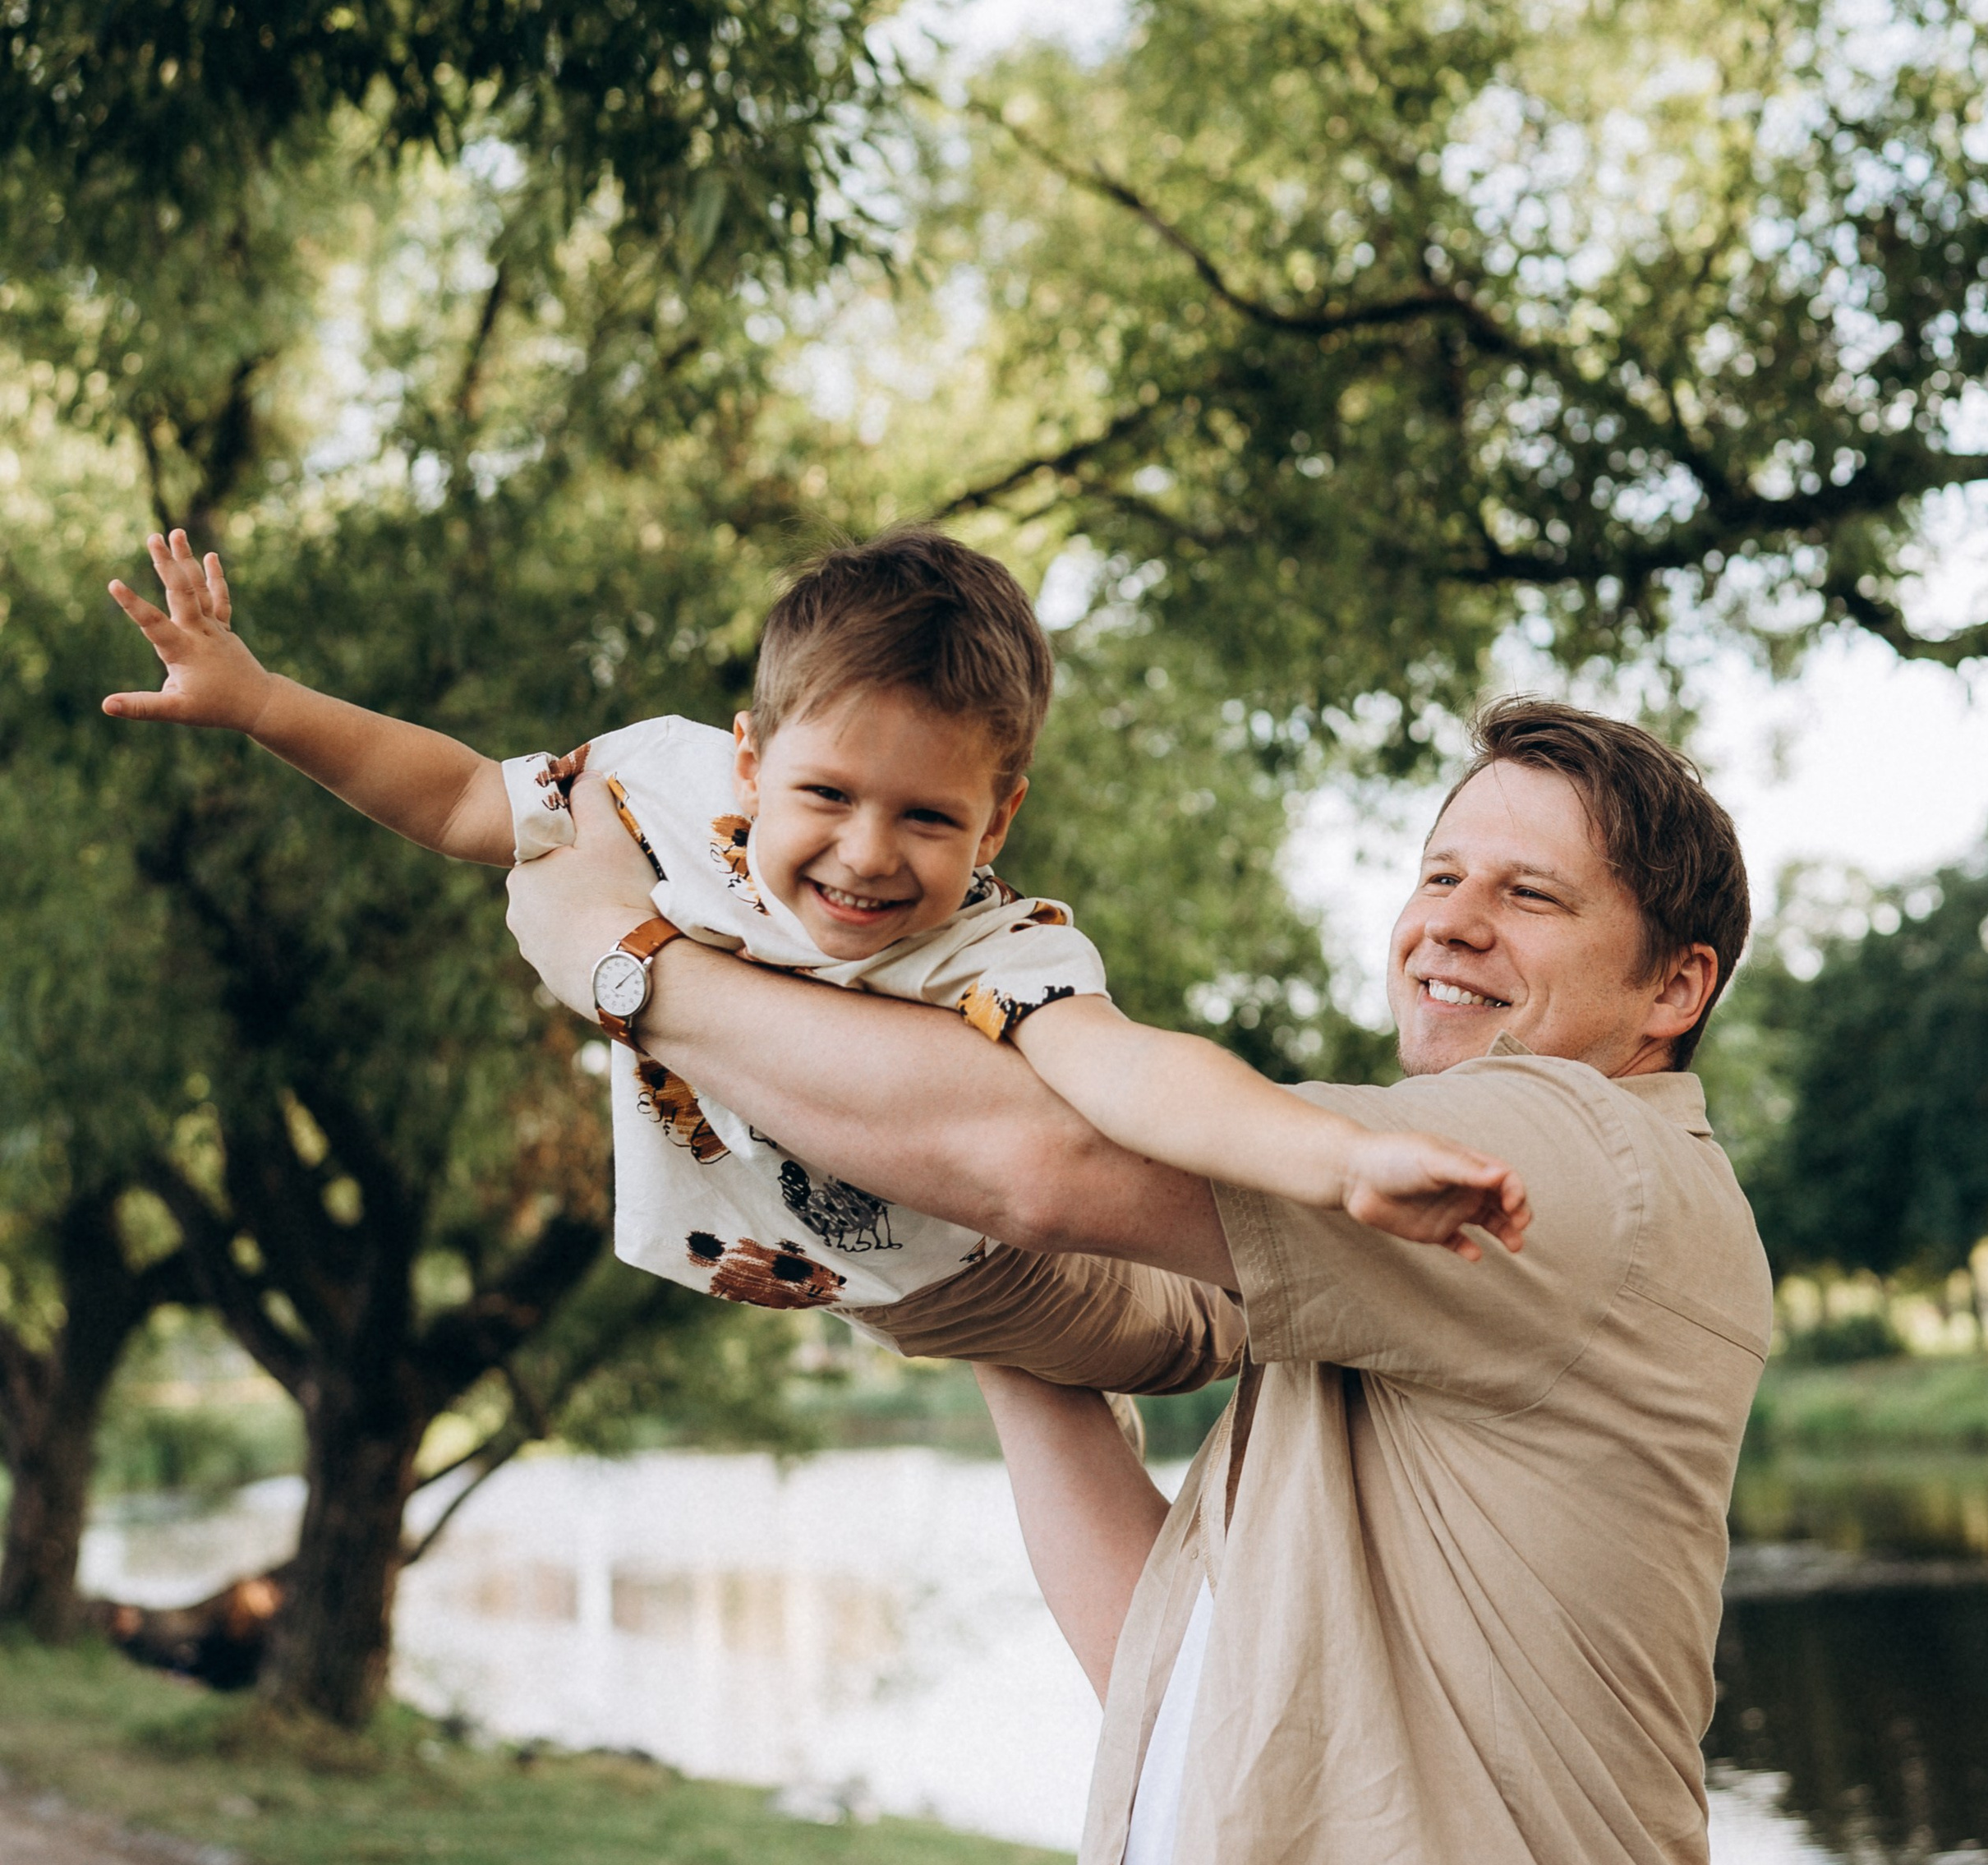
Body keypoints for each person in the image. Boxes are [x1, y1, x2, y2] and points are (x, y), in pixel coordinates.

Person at [503, 695, 1797, 1865]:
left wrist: (633, 965)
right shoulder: (1381, 1295)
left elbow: (1028, 1156)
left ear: (1670, 989)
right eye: (1435, 872)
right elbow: (1162, 1662)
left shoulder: (1570, 1161)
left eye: (1528, 897)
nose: (1448, 923)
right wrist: (911, 1270)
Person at [102, 526, 1528, 1324]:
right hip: (827, 1264)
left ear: (998, 823)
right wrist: (263, 703)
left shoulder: (995, 945)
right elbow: (470, 797)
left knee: (1142, 1357)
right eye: (828, 795)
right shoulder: (654, 785)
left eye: (927, 819)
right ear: (743, 760)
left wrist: (1342, 1158)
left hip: (989, 1279)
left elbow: (1136, 1071)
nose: (867, 855)